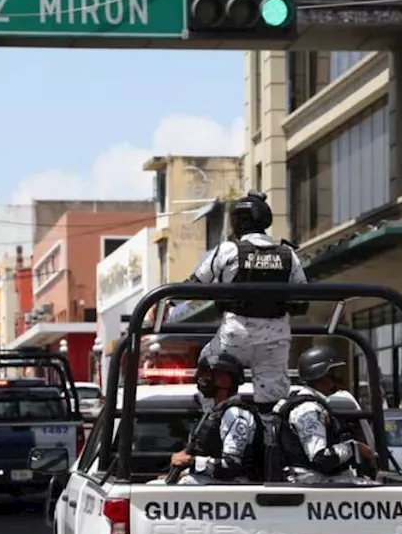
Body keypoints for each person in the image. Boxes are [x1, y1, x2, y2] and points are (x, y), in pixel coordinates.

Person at [188, 191, 307, 430]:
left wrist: (165, 304)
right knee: (274, 406)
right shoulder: (288, 255)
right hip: (275, 341)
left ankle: (216, 425)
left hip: (235, 338)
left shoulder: (228, 250)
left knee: (208, 369)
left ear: (240, 221)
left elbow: (194, 285)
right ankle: (271, 449)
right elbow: (302, 301)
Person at [273, 346, 378, 484]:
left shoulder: (309, 404)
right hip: (314, 488)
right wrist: (354, 448)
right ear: (320, 375)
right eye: (333, 373)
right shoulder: (308, 410)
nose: (339, 379)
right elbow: (321, 458)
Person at [162, 353, 264, 485]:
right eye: (203, 374)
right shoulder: (214, 412)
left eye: (209, 374)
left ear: (226, 379)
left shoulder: (236, 415)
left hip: (232, 491)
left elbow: (231, 465)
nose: (203, 379)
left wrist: (190, 461)